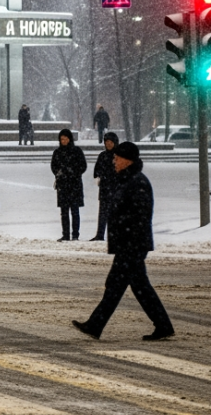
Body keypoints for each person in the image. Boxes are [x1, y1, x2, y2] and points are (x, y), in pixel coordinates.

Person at [73, 141, 174, 341]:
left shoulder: (137, 182)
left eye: (117, 158)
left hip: (132, 245)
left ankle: (96, 324)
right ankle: (163, 325)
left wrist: (128, 239)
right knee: (138, 287)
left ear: (127, 161)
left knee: (116, 285)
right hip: (128, 244)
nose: (114, 160)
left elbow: (140, 216)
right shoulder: (128, 179)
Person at [51, 128, 87, 242]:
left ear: (69, 139)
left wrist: (74, 172)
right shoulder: (57, 152)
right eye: (62, 139)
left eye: (66, 138)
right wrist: (59, 173)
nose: (64, 141)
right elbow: (53, 166)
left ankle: (75, 235)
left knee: (75, 211)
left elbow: (83, 166)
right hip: (63, 185)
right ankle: (65, 235)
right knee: (64, 212)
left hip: (74, 185)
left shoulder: (77, 151)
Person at [89, 132, 120, 242]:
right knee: (102, 213)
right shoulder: (102, 155)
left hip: (116, 188)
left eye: (110, 142)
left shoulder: (119, 155)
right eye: (106, 142)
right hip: (105, 189)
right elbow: (97, 169)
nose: (108, 144)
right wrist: (98, 177)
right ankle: (100, 234)